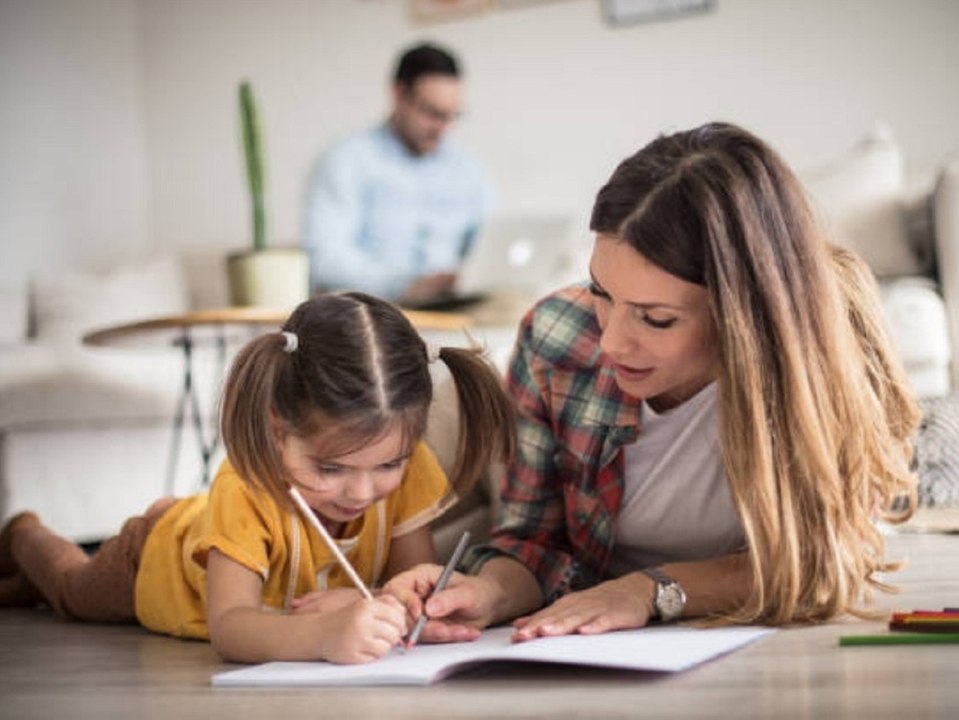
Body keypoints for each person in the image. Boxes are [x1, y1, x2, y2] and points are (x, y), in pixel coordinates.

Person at [385, 121, 921, 642]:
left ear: (742, 314)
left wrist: (651, 591)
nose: (612, 342)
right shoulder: (556, 337)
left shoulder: (827, 348)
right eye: (601, 292)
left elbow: (827, 562)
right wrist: (487, 593)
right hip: (604, 636)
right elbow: (535, 541)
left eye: (655, 318)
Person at [0, 292, 515, 664]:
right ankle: (22, 532)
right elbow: (231, 627)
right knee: (67, 591)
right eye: (330, 468)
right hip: (153, 560)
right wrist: (321, 635)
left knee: (28, 596)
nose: (362, 492)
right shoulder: (246, 486)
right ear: (277, 431)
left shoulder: (410, 468)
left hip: (206, 530)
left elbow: (406, 584)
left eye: (387, 464)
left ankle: (18, 584)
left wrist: (386, 603)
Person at [302, 42, 495, 304]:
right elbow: (323, 259)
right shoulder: (346, 159)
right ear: (399, 94)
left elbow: (489, 242)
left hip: (455, 312)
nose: (442, 128)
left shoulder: (468, 168)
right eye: (432, 113)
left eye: (451, 116)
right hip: (375, 314)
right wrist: (403, 286)